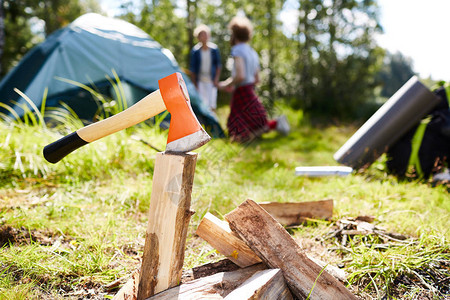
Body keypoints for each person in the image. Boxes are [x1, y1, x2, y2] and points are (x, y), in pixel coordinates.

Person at [218, 16, 289, 142]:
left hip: (242, 90)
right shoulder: (252, 52)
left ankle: (276, 124)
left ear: (234, 34)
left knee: (236, 127)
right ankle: (276, 124)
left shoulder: (237, 50)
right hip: (249, 88)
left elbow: (240, 76)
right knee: (256, 122)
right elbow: (257, 79)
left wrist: (226, 84)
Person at [189, 24, 222, 113]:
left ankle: (213, 124)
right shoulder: (195, 51)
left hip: (211, 81)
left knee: (212, 104)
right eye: (201, 35)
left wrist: (216, 79)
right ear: (198, 37)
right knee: (202, 104)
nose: (204, 37)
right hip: (200, 81)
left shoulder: (214, 49)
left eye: (205, 34)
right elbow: (192, 69)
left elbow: (218, 66)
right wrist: (195, 84)